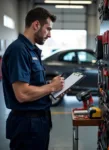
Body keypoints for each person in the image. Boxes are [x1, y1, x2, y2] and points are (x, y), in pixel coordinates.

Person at [2, 7, 64, 150]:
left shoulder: (31, 50)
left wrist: (54, 87)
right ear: (36, 25)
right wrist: (51, 87)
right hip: (27, 125)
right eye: (48, 29)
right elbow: (22, 93)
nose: (49, 35)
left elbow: (33, 84)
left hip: (38, 122)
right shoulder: (19, 50)